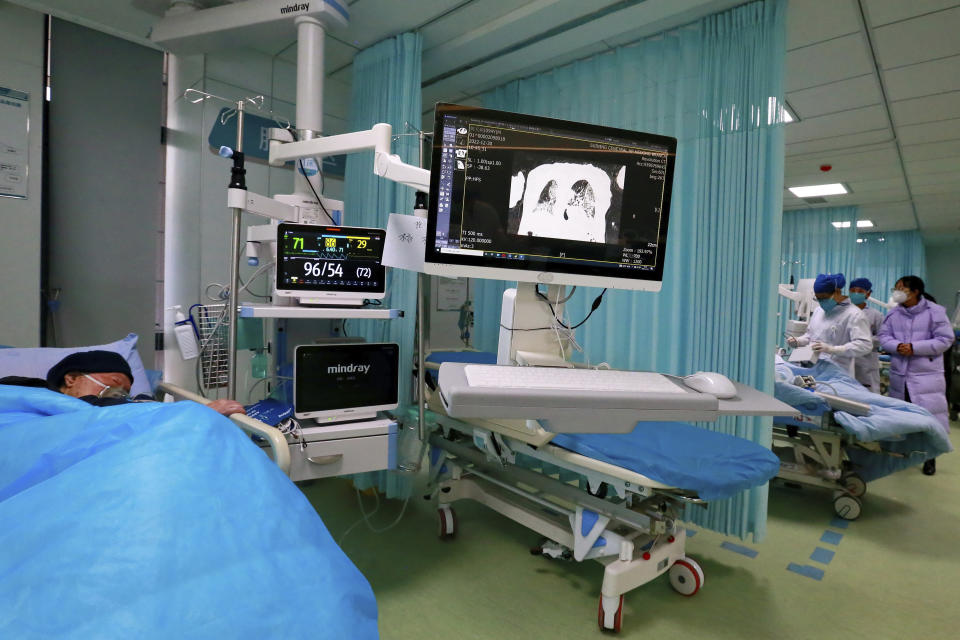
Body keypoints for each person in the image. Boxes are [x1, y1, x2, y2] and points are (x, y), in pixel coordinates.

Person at [878, 276, 955, 475]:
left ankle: (930, 458)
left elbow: (945, 339)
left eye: (901, 288)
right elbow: (884, 337)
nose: (896, 292)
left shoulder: (935, 312)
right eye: (895, 288)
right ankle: (903, 455)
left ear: (915, 292)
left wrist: (915, 348)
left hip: (926, 376)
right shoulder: (894, 314)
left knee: (928, 419)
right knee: (903, 417)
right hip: (900, 375)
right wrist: (897, 346)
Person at [42, 350, 246, 416]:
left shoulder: (136, 405)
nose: (119, 392)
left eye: (125, 391)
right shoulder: (33, 396)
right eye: (115, 382)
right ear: (71, 379)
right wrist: (199, 412)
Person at [787, 273, 873, 376]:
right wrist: (799, 341)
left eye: (824, 298)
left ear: (837, 292)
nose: (821, 302)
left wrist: (833, 349)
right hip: (812, 370)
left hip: (837, 374)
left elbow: (865, 345)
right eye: (818, 299)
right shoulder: (819, 311)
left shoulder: (854, 315)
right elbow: (810, 336)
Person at [848, 277, 884, 392]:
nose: (855, 293)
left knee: (869, 396)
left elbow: (883, 337)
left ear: (868, 294)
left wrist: (863, 341)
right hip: (845, 360)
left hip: (866, 363)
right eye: (852, 290)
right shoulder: (841, 312)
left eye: (860, 291)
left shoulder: (875, 315)